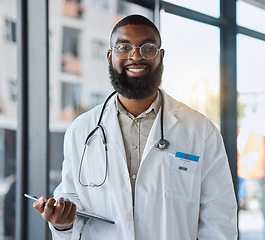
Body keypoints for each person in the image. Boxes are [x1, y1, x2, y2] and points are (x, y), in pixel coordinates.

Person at [33, 14, 238, 239]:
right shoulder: (81, 130)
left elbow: (219, 220)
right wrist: (61, 224)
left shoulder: (200, 130)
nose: (136, 56)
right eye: (124, 47)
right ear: (110, 55)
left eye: (147, 47)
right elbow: (72, 207)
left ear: (160, 56)